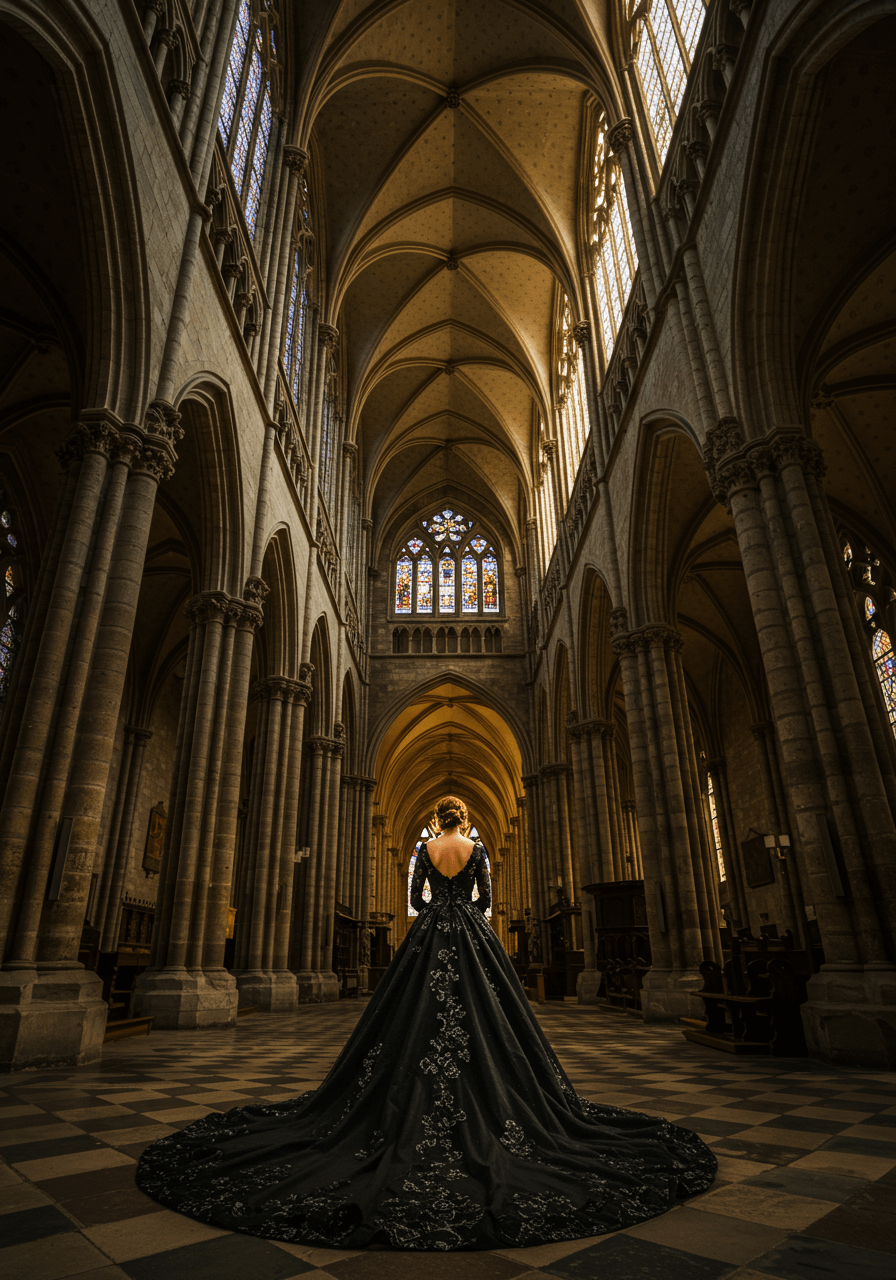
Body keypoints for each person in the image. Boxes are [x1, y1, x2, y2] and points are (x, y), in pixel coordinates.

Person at [136, 795, 716, 1250]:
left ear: (436, 823)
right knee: (490, 1017)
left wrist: (436, 903)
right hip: (471, 935)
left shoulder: (424, 851)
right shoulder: (477, 851)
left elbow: (414, 896)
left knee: (407, 1017)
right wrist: (468, 907)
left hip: (430, 932)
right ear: (464, 822)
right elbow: (487, 899)